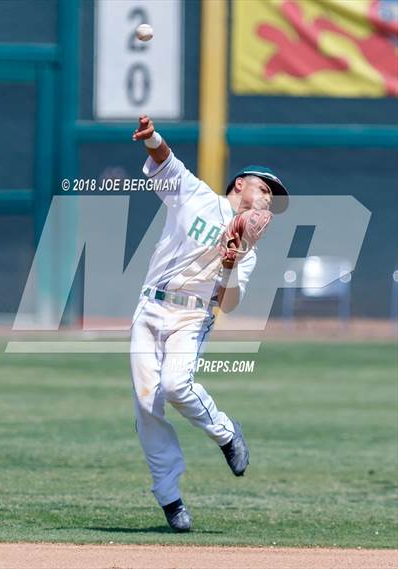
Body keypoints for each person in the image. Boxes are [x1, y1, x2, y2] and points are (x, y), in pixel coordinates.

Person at [130, 115, 289, 532]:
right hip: (150, 308)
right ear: (240, 185)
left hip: (192, 315)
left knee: (175, 385)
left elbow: (230, 303)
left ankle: (225, 433)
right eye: (264, 189)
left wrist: (233, 265)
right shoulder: (197, 197)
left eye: (273, 198)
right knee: (147, 406)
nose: (269, 199)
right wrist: (154, 138)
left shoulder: (249, 251)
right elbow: (166, 163)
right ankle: (170, 499)